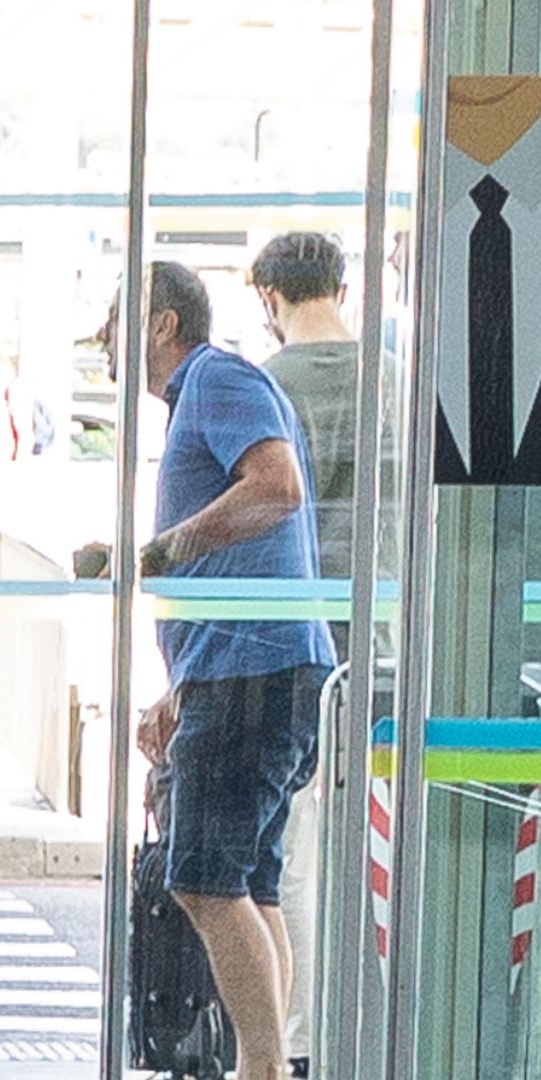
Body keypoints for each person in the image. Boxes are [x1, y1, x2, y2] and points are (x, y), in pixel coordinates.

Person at [80, 262, 334, 1080]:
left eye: (115, 323)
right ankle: (268, 1064)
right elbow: (251, 557)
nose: (104, 342)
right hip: (254, 670)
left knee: (204, 881)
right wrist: (179, 688)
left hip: (252, 674)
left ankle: (262, 1068)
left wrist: (156, 553)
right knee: (249, 885)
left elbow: (276, 488)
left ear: (162, 324)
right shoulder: (209, 394)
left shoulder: (216, 379)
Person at [252, 231, 399, 1078]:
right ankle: (368, 1035)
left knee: (292, 858)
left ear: (270, 298)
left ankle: (301, 1044)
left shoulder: (269, 385)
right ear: (340, 290)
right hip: (387, 648)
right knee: (371, 856)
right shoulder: (396, 380)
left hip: (299, 648)